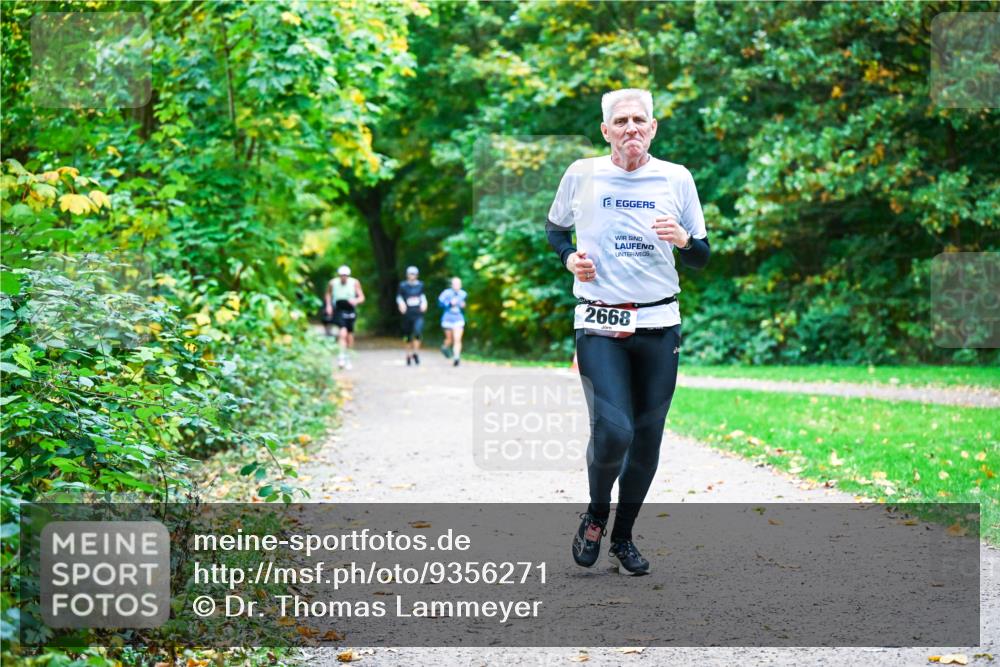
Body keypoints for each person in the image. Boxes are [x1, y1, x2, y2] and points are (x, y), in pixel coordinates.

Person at [546, 88, 710, 575]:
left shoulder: (677, 178)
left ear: (653, 128)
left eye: (640, 120)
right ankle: (597, 514)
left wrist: (684, 240)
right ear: (606, 131)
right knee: (613, 430)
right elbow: (555, 229)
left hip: (660, 324)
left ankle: (623, 537)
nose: (631, 128)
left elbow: (701, 257)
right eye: (621, 121)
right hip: (599, 321)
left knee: (646, 439)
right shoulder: (582, 174)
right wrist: (568, 258)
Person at [326, 265, 365, 370]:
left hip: (350, 309)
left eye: (345, 275)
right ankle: (341, 356)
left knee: (350, 335)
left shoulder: (354, 282)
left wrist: (356, 300)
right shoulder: (332, 283)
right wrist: (329, 306)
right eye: (342, 275)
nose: (343, 277)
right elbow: (328, 294)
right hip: (339, 309)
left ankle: (348, 356)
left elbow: (361, 297)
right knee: (342, 333)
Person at [396, 266, 427, 366]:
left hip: (418, 314)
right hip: (407, 314)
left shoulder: (421, 285)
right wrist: (401, 304)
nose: (412, 276)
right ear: (407, 275)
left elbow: (423, 296)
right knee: (407, 336)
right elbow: (399, 297)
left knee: (418, 332)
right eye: (410, 274)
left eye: (414, 274)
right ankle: (408, 354)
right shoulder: (403, 285)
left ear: (417, 275)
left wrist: (424, 304)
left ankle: (416, 353)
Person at [437, 277, 468, 367]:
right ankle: (445, 347)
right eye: (455, 284)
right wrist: (450, 303)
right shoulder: (446, 293)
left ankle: (456, 357)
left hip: (458, 318)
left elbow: (464, 305)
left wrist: (463, 305)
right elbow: (440, 304)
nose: (457, 286)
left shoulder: (463, 294)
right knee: (449, 339)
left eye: (458, 284)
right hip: (447, 318)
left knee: (457, 339)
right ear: (452, 285)